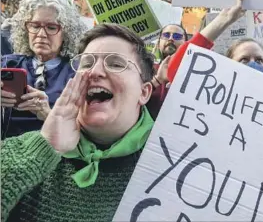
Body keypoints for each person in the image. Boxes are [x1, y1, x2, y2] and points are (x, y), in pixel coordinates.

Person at [1, 23, 156, 221]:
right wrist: (44, 148)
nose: (95, 72)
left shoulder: (169, 163)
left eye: (116, 64)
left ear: (144, 92)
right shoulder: (26, 150)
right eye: (86, 63)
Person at [1, 0, 88, 138]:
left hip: (54, 153)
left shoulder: (76, 73)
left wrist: (48, 115)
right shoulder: (6, 63)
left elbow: (84, 133)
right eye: (35, 26)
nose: (41, 34)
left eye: (51, 27)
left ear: (66, 33)